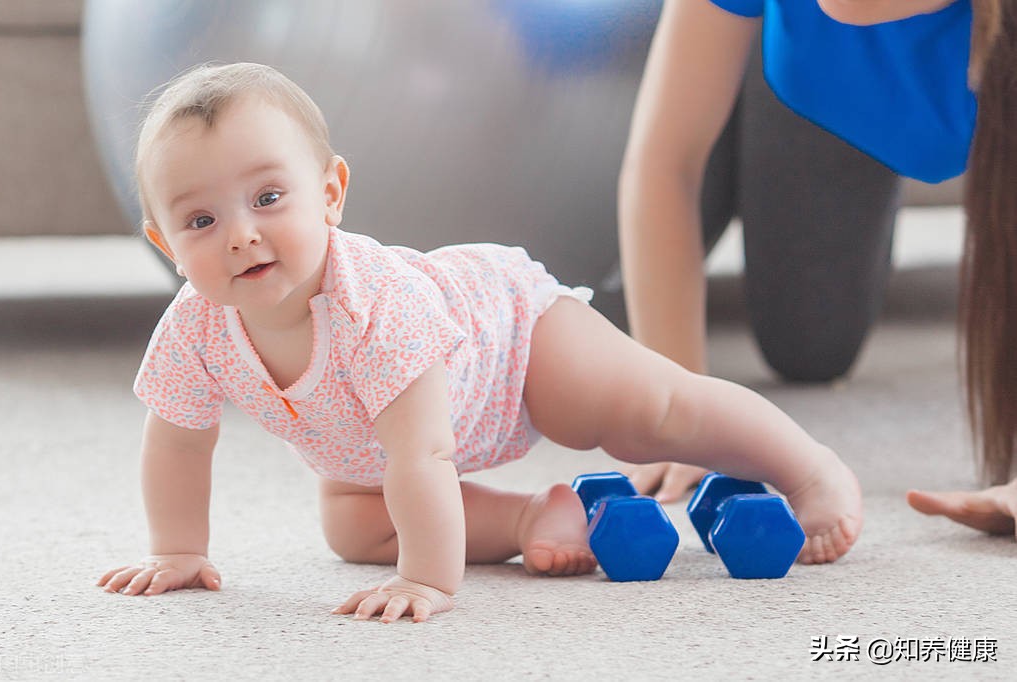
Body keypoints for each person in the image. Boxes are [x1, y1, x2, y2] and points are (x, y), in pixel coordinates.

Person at [96, 62, 863, 622]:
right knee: (355, 527)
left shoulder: (372, 309)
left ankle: (809, 468)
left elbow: (423, 454)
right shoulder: (195, 325)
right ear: (165, 243)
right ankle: (532, 519)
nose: (241, 235)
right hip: (369, 455)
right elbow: (177, 446)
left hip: (509, 347)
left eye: (268, 198)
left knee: (649, 411)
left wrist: (427, 580)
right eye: (201, 221)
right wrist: (178, 550)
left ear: (329, 194)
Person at [618, 0, 1017, 532]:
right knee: (588, 300)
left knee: (809, 344)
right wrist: (682, 413)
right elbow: (666, 161)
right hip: (790, 70)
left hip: (874, 98)